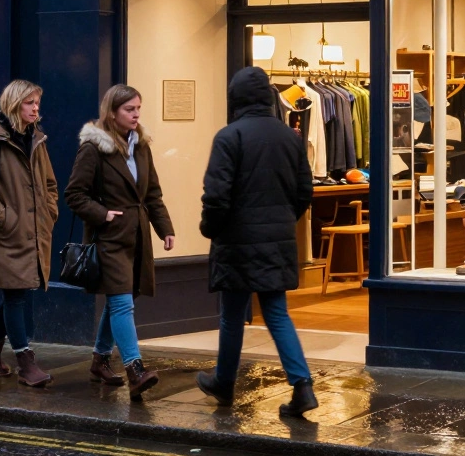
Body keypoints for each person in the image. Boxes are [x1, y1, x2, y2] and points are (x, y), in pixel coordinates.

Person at [195, 67, 317, 417]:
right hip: (277, 240)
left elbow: (216, 195)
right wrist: (282, 220)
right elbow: (304, 191)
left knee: (232, 316)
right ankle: (302, 385)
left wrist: (210, 228)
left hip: (236, 241)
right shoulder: (289, 138)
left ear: (235, 98)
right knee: (276, 312)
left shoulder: (229, 137)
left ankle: (224, 382)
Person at [64, 84, 175, 399]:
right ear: (112, 113)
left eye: (138, 108)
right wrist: (102, 214)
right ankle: (135, 369)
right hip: (109, 237)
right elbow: (74, 194)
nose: (136, 114)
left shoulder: (141, 145)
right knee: (122, 303)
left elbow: (152, 193)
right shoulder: (93, 148)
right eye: (129, 109)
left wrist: (165, 228)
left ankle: (100, 360)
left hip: (137, 236)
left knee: (120, 300)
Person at [0, 79, 59, 387]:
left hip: (34, 231)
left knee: (17, 291)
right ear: (14, 104)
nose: (35, 108)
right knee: (16, 294)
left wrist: (49, 212)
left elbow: (49, 184)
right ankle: (25, 362)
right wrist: (5, 218)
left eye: (37, 103)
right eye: (29, 102)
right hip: (6, 233)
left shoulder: (36, 139)